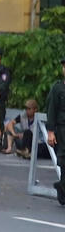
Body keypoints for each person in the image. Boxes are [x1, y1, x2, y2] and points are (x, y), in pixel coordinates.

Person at [46, 59, 65, 204]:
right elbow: (51, 110)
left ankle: (62, 186)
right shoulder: (58, 88)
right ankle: (62, 187)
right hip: (62, 129)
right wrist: (50, 132)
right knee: (63, 161)